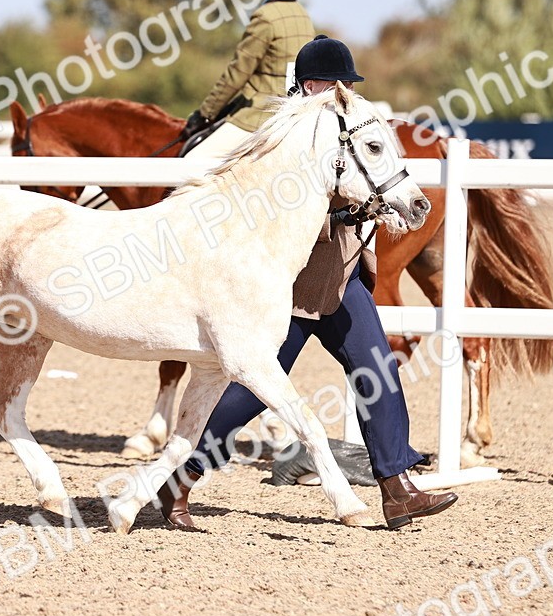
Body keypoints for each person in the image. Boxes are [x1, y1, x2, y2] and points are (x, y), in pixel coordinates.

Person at [156, 35, 459, 531]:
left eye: (348, 82)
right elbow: (280, 208)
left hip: (342, 278)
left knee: (378, 369)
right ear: (311, 83)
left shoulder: (343, 122)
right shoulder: (286, 133)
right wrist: (346, 207)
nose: (343, 89)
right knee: (248, 394)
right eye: (335, 81)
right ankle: (179, 478)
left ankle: (397, 488)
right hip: (290, 288)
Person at [182, 0, 316, 158]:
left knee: (191, 161)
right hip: (293, 115)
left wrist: (205, 114)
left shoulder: (265, 16)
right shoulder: (302, 15)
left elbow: (236, 75)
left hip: (259, 117)